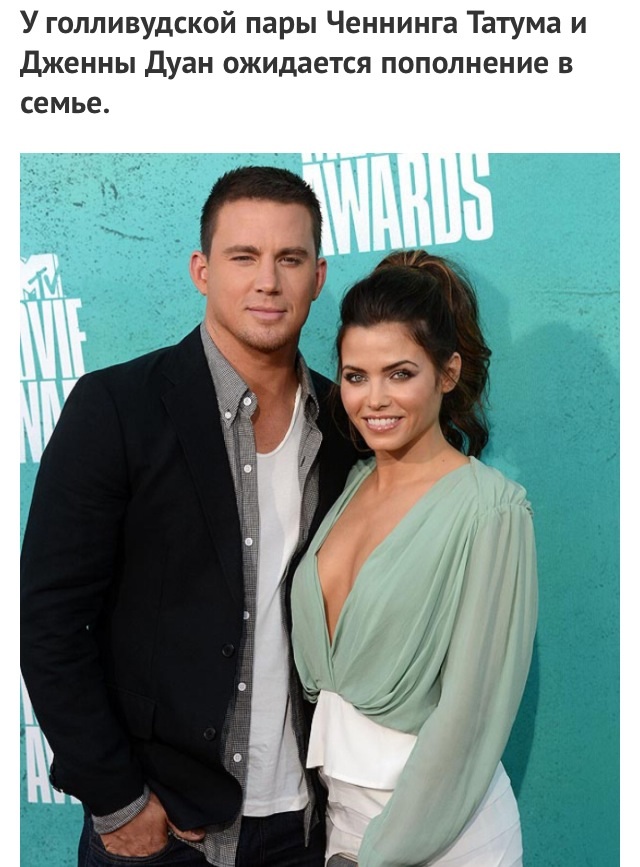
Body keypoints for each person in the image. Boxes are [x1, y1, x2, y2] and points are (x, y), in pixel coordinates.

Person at [20, 166, 359, 867]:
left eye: (289, 258)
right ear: (202, 270)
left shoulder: (346, 424)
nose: (267, 281)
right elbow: (49, 617)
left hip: (304, 824)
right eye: (243, 257)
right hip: (163, 829)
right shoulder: (116, 408)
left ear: (317, 277)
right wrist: (119, 802)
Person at [291, 249, 538, 866]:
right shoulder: (348, 487)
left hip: (447, 836)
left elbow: (470, 718)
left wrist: (380, 854)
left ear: (447, 373)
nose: (374, 399)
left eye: (399, 374)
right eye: (356, 376)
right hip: (344, 827)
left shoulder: (490, 509)